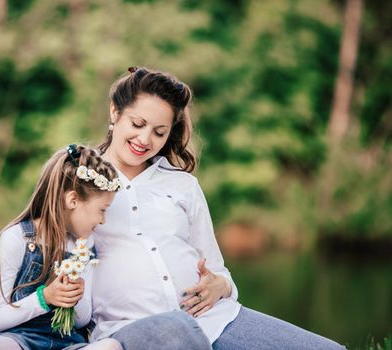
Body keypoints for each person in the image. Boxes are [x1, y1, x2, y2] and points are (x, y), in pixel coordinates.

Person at [88, 66, 346, 350]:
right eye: (138, 124)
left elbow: (218, 270)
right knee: (177, 332)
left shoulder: (182, 185)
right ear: (115, 112)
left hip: (214, 319)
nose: (145, 140)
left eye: (159, 132)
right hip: (135, 330)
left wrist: (220, 285)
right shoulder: (77, 179)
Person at [0, 145, 123, 350]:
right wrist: (44, 298)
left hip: (66, 344)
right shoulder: (15, 239)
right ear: (72, 200)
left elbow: (81, 321)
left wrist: (75, 298)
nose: (103, 220)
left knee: (110, 346)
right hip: (18, 341)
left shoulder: (84, 245)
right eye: (101, 210)